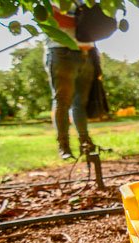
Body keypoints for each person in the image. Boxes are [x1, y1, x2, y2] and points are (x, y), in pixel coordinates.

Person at [45, 3, 98, 160]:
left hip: (86, 52)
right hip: (62, 51)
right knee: (62, 101)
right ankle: (64, 146)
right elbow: (55, 18)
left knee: (80, 102)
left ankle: (86, 143)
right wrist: (87, 22)